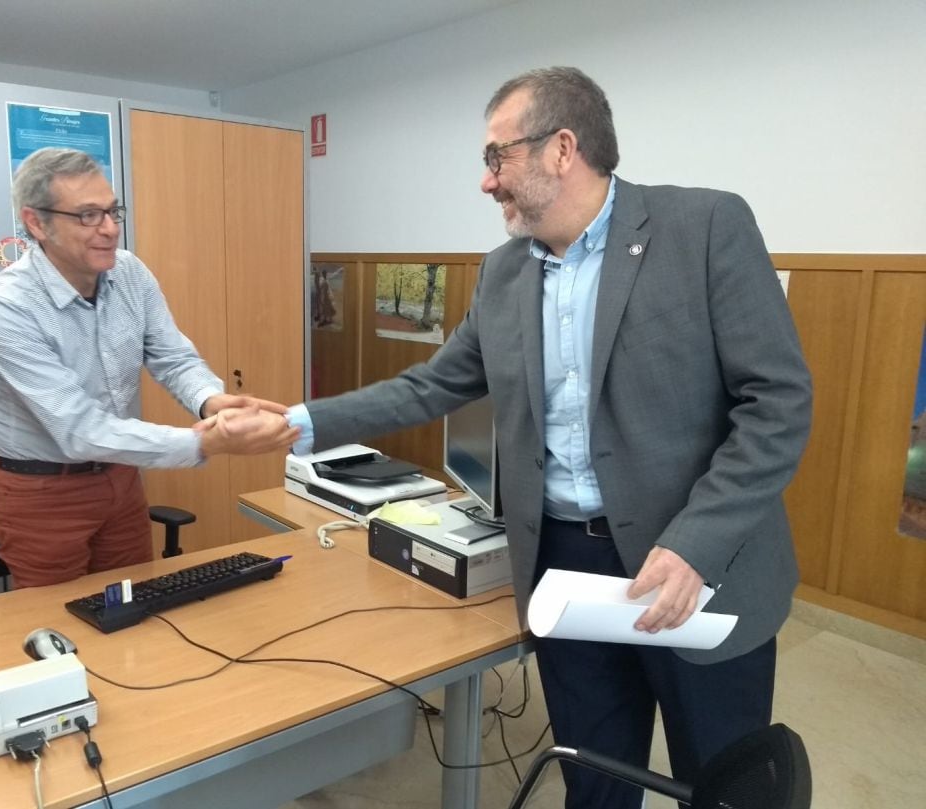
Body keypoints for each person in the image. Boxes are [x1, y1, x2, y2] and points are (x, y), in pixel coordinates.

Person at [287, 67, 812, 808]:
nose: (486, 181)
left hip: (695, 562)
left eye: (496, 157)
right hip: (566, 567)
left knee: (724, 783)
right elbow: (431, 384)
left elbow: (778, 402)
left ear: (562, 149)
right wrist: (301, 422)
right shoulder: (502, 273)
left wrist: (698, 540)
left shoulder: (704, 227)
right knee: (594, 778)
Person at [0, 147, 299, 588]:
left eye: (112, 211)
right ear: (36, 223)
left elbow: (172, 356)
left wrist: (211, 401)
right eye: (88, 215)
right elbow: (80, 430)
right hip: (43, 493)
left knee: (136, 606)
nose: (109, 229)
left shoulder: (129, 273)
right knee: (56, 628)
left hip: (120, 479)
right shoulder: (5, 307)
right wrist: (208, 443)